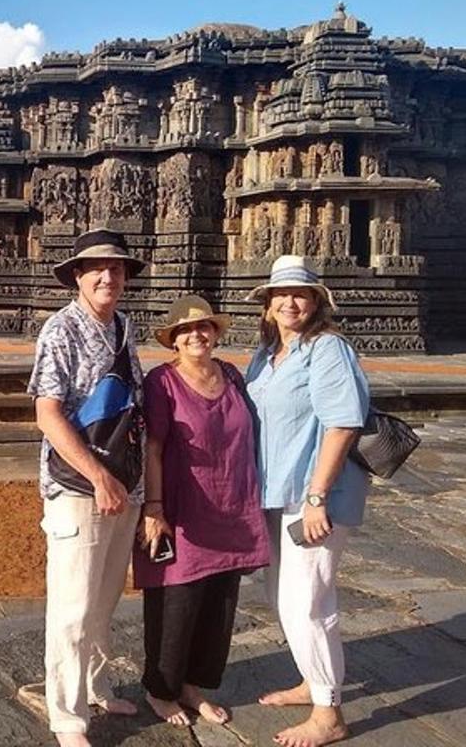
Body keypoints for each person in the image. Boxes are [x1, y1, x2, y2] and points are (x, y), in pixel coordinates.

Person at [244, 255, 370, 747]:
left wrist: (318, 496)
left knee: (305, 604)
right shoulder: (268, 355)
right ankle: (313, 681)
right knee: (288, 598)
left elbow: (343, 423)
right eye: (281, 294)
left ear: (316, 302)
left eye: (300, 294)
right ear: (268, 305)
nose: (290, 302)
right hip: (279, 493)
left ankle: (329, 715)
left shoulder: (327, 348)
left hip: (315, 496)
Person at [27, 229, 147, 747]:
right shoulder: (61, 330)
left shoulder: (123, 326)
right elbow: (47, 413)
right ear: (77, 275)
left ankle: (96, 686)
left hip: (124, 482)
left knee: (104, 600)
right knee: (73, 606)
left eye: (116, 269)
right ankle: (68, 718)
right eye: (97, 268)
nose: (108, 277)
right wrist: (98, 476)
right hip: (78, 484)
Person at [135, 295, 270, 727]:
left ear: (215, 333)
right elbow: (153, 448)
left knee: (219, 602)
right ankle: (161, 689)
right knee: (178, 600)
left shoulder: (230, 374)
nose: (197, 335)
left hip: (232, 504)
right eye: (186, 331)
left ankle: (192, 685)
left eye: (204, 327)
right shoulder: (162, 382)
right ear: (174, 340)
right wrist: (154, 509)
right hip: (183, 507)